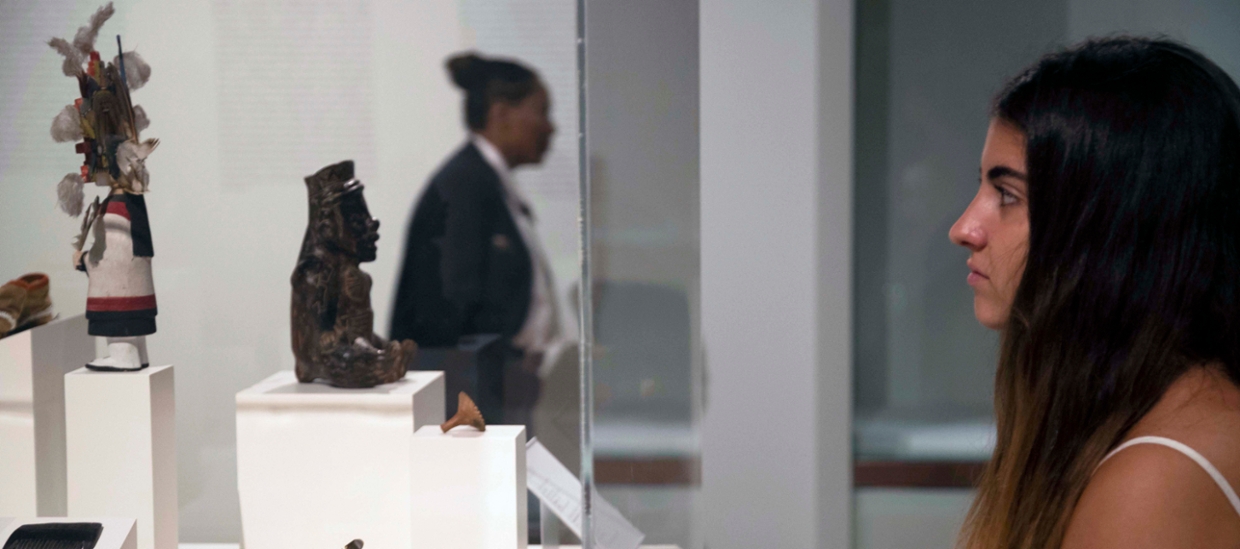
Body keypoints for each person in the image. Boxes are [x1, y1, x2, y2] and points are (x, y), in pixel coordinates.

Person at [949, 37, 1240, 549]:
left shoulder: (1153, 481)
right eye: (983, 188)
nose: (965, 228)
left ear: (1113, 226)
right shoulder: (1176, 415)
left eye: (1008, 195)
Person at [390, 52, 561, 426]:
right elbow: (447, 310)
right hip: (470, 396)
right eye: (542, 112)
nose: (551, 128)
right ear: (500, 114)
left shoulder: (481, 182)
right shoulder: (465, 185)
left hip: (490, 386)